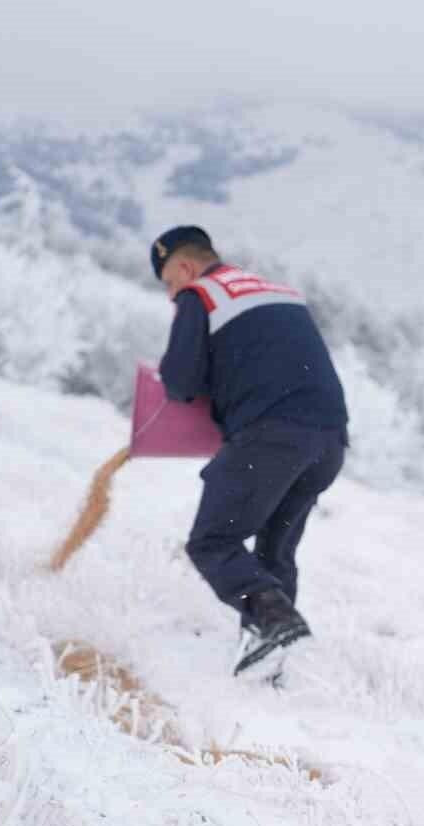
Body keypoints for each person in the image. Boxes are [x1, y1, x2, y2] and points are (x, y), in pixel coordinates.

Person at [151, 226, 349, 678]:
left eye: (168, 282)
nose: (171, 294)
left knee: (212, 541)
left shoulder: (201, 295)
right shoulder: (279, 292)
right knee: (274, 554)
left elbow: (181, 381)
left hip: (272, 437)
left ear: (184, 267)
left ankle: (278, 624)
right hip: (330, 442)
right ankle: (271, 666)